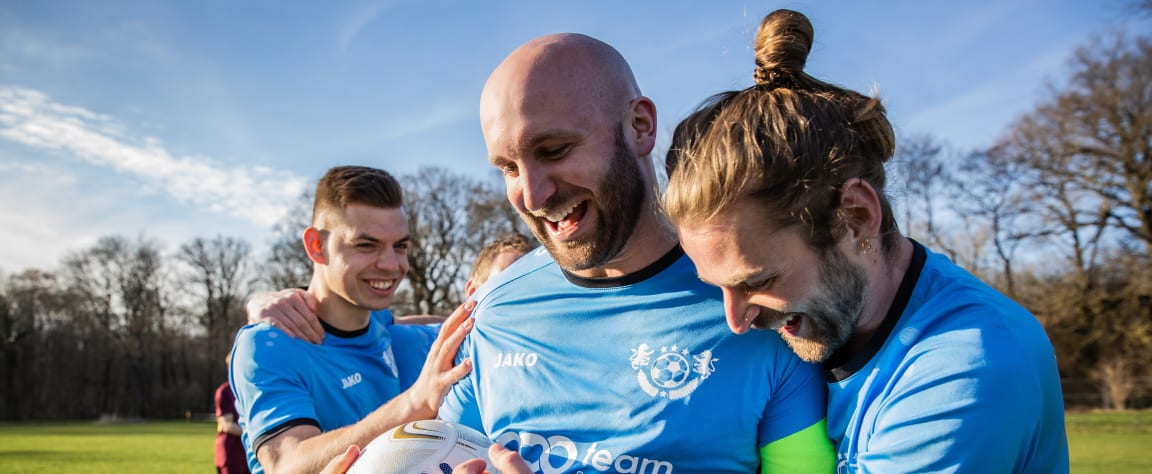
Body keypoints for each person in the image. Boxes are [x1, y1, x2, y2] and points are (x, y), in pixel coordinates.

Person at [661, 9, 1070, 473]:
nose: (735, 321)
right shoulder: (838, 319)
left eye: (758, 279)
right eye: (719, 287)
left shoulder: (964, 372)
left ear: (857, 216)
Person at [436, 32, 834, 473]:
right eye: (509, 168)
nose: (531, 196)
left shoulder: (760, 305)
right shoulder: (495, 308)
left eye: (554, 150)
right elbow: (439, 456)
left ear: (640, 126)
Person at [229, 165, 474, 474]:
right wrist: (413, 405)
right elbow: (287, 463)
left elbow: (415, 322)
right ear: (316, 246)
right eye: (366, 245)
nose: (390, 265)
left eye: (400, 246)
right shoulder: (267, 344)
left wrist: (477, 311)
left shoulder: (384, 327)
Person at [249, 232, 535, 341]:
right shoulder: (421, 341)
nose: (519, 298)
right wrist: (260, 301)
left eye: (531, 287)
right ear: (472, 290)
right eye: (505, 283)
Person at [215, 357, 250, 474]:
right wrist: (252, 433)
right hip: (231, 453)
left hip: (247, 452)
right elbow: (227, 425)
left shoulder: (248, 389)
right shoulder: (224, 391)